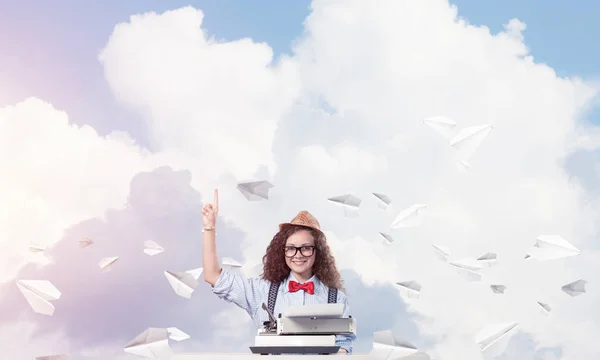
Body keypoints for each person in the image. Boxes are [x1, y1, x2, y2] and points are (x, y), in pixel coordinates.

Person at [202, 189, 356, 354]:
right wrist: (209, 228)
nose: (298, 255)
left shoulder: (336, 298)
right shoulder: (262, 291)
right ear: (282, 251)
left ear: (317, 251)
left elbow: (343, 345)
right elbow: (212, 276)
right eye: (291, 248)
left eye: (305, 248)